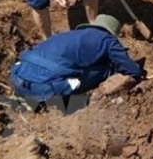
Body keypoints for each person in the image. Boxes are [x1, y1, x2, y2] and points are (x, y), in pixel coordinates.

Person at [10, 14, 144, 108]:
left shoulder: (71, 35)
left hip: (17, 78)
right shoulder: (107, 40)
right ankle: (53, 103)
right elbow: (131, 70)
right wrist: (137, 73)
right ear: (111, 33)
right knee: (106, 71)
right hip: (42, 89)